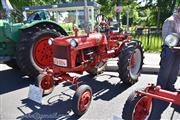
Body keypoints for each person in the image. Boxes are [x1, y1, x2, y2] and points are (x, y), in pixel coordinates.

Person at [148, 7, 180, 120]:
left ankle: (170, 87)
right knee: (165, 70)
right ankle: (161, 90)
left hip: (178, 49)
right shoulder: (170, 20)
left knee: (175, 70)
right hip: (170, 50)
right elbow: (167, 37)